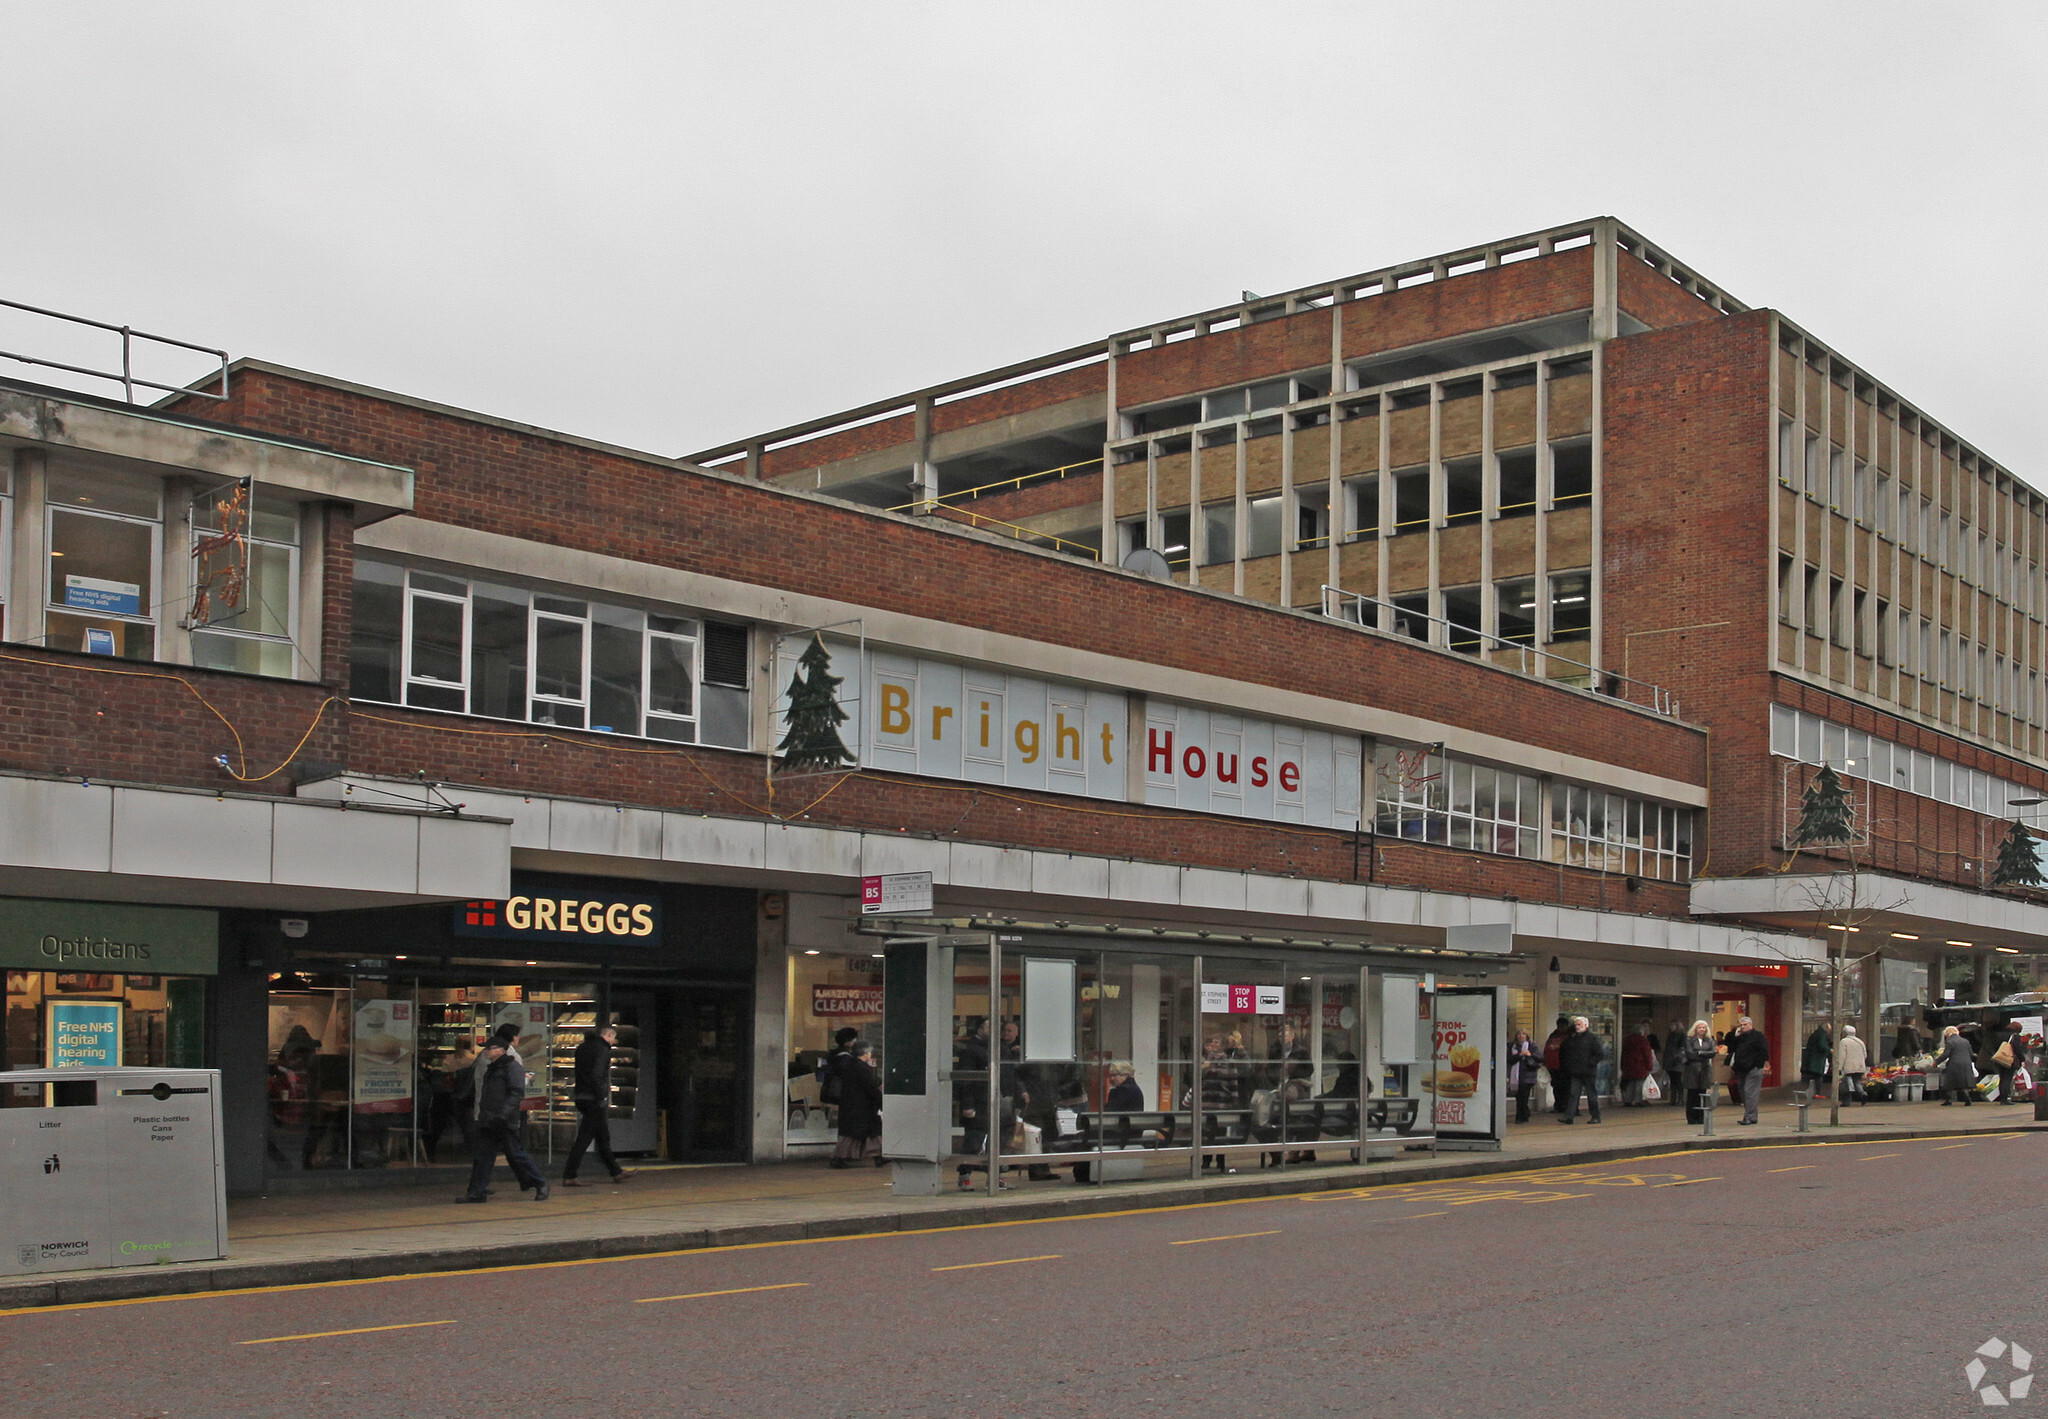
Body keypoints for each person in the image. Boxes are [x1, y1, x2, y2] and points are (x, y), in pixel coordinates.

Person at [457, 1028, 549, 1202]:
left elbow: (517, 1092)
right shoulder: (492, 1068)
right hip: (488, 1119)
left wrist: (504, 1113)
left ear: (500, 1050)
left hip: (503, 1120)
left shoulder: (512, 1067)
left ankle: (540, 1182)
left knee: (516, 1154)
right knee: (482, 1157)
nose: (486, 1051)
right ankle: (476, 1192)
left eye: (489, 1048)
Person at [561, 1022, 630, 1186]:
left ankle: (616, 1172)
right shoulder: (602, 1050)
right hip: (594, 1099)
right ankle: (570, 1174)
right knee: (584, 1138)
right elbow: (597, 1074)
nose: (614, 1042)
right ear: (608, 1036)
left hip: (582, 1096)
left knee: (602, 1137)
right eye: (614, 1038)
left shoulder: (582, 1047)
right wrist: (601, 1097)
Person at [831, 1040, 885, 1167]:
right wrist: (879, 1097)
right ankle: (839, 1158)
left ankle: (879, 1156)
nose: (870, 1054)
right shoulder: (861, 1067)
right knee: (856, 1133)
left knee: (869, 1131)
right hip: (860, 1106)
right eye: (869, 1052)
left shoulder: (850, 1065)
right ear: (865, 1053)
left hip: (854, 1106)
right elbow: (868, 1087)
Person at [953, 1017, 992, 1190]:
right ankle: (965, 1174)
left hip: (991, 1101)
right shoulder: (972, 1051)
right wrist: (968, 1105)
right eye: (989, 1026)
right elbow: (966, 1079)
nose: (993, 1030)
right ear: (980, 1029)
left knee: (994, 1141)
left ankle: (995, 1176)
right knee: (974, 1140)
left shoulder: (994, 1048)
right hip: (978, 1102)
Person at [1557, 1015, 1604, 1124]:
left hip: (1588, 1072)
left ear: (1586, 1025)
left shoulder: (1592, 1038)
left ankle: (1595, 1116)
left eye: (1579, 1024)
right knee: (1573, 1094)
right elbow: (1565, 1053)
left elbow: (1599, 1054)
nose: (1577, 1027)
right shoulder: (1572, 1039)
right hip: (1575, 1072)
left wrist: (1590, 1063)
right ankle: (1569, 1117)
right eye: (1576, 1025)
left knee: (1591, 1095)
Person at [1726, 1015, 1770, 1125]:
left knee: (1750, 1092)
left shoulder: (1758, 1037)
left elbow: (1764, 1051)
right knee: (1743, 1092)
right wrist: (1735, 1036)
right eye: (1741, 1025)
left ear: (1751, 1025)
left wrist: (1758, 1064)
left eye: (1745, 1025)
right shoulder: (1740, 1038)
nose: (1743, 1027)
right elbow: (1730, 1048)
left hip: (1754, 1069)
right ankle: (1752, 1116)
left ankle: (1749, 1116)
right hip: (1741, 1070)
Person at [1680, 1020, 1718, 1122]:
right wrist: (1703, 1054)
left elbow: (1713, 1052)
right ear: (1695, 1029)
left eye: (1704, 1028)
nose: (1702, 1029)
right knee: (1692, 1094)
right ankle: (1691, 1117)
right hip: (1692, 1069)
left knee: (1703, 1092)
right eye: (1699, 1027)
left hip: (1705, 1069)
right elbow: (1690, 1054)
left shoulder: (1709, 1040)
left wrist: (1700, 1053)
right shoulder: (1689, 1040)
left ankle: (1701, 1117)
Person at [1505, 1029, 1540, 1123]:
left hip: (1527, 1075)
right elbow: (1509, 1059)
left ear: (1527, 1036)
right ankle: (1525, 1113)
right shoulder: (1512, 1047)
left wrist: (1529, 1054)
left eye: (1523, 1034)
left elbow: (1540, 1057)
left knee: (1523, 1096)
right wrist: (1520, 1055)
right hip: (1515, 1076)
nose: (1521, 1036)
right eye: (1519, 1034)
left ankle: (1520, 1117)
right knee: (1519, 1097)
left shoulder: (1532, 1046)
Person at [1937, 1024, 1977, 1106]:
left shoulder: (1950, 1041)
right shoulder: (1965, 1041)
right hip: (1966, 1063)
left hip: (1954, 1064)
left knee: (1950, 1083)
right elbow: (1971, 1053)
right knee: (1964, 1083)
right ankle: (1968, 1099)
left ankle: (1949, 1100)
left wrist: (1936, 1062)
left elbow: (1945, 1054)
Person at [1542, 1015, 1572, 1115]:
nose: (1561, 1028)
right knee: (1556, 1087)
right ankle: (1558, 1105)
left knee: (1566, 1088)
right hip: (1554, 1066)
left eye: (1563, 1026)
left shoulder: (1570, 1036)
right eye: (1559, 1026)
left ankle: (1565, 1106)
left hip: (1566, 1066)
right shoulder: (1553, 1035)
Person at [1990, 1020, 2025, 1104]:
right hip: (2009, 1060)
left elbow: (1994, 1046)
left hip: (1999, 1059)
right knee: (2007, 1079)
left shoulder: (1999, 1035)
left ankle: (2002, 1098)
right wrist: (2022, 1058)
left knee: (2002, 1078)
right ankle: (2005, 1099)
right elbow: (2017, 1049)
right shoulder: (2015, 1036)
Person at [1620, 1025, 1656, 1107]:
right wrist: (1649, 1066)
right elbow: (1647, 1055)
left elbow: (1623, 1054)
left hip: (1628, 1065)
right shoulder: (1643, 1041)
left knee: (1631, 1083)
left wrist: (1622, 1066)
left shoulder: (1627, 1040)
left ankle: (1627, 1100)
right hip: (1640, 1065)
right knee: (1639, 1084)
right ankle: (1638, 1101)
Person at [1835, 1024, 1869, 1105]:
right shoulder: (1860, 1042)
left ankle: (1846, 1102)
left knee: (1847, 1084)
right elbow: (1865, 1055)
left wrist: (1839, 1068)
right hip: (1860, 1067)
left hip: (1849, 1067)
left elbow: (1842, 1056)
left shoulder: (1843, 1042)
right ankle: (1863, 1094)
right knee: (1856, 1081)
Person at [1801, 1023, 1833, 1101]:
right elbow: (1821, 1045)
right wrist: (1830, 1050)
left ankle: (1811, 1092)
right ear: (1826, 1029)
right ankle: (1817, 1093)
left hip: (1812, 1060)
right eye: (1829, 1030)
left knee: (1812, 1077)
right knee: (1818, 1077)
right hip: (1817, 1060)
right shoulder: (1821, 1035)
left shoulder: (1816, 1034)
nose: (1829, 1032)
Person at [1663, 1022, 1688, 1105]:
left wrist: (1678, 1057)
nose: (1670, 1027)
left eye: (1672, 1025)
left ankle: (1679, 1099)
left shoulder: (1680, 1036)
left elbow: (1682, 1047)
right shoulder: (1671, 1035)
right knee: (1674, 1081)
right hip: (1672, 1061)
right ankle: (1674, 1099)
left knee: (1677, 1080)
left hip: (1676, 1061)